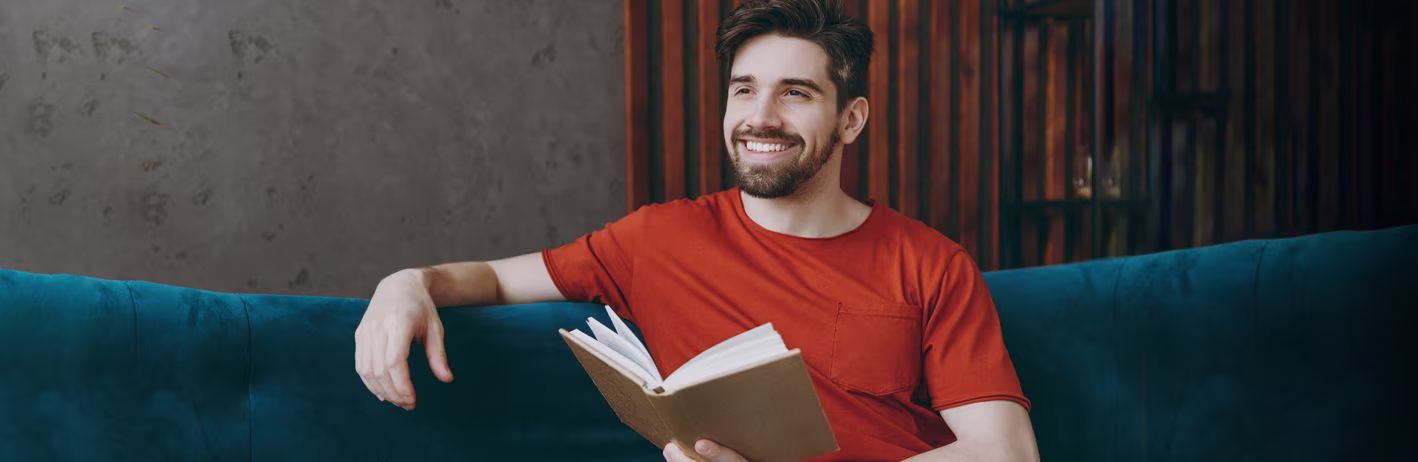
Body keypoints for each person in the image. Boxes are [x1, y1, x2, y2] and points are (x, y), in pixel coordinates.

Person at [354, 0, 1039, 460]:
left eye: (795, 93)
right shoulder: (656, 240)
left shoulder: (930, 262)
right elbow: (500, 277)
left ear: (852, 120)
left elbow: (1005, 450)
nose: (760, 115)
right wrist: (407, 284)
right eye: (744, 89)